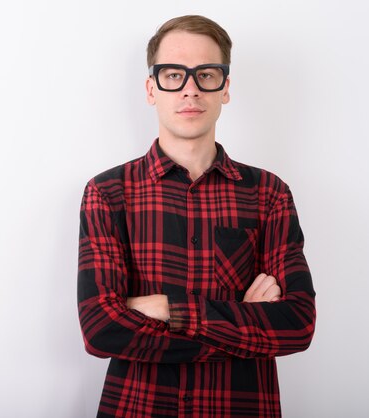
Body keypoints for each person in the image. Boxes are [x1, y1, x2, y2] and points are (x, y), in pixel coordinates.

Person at [77, 15, 316, 418]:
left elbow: (296, 323)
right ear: (151, 89)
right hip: (137, 409)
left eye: (206, 74)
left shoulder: (269, 193)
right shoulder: (108, 193)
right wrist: (243, 317)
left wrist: (168, 309)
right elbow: (101, 330)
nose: (190, 89)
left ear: (225, 88)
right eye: (174, 74)